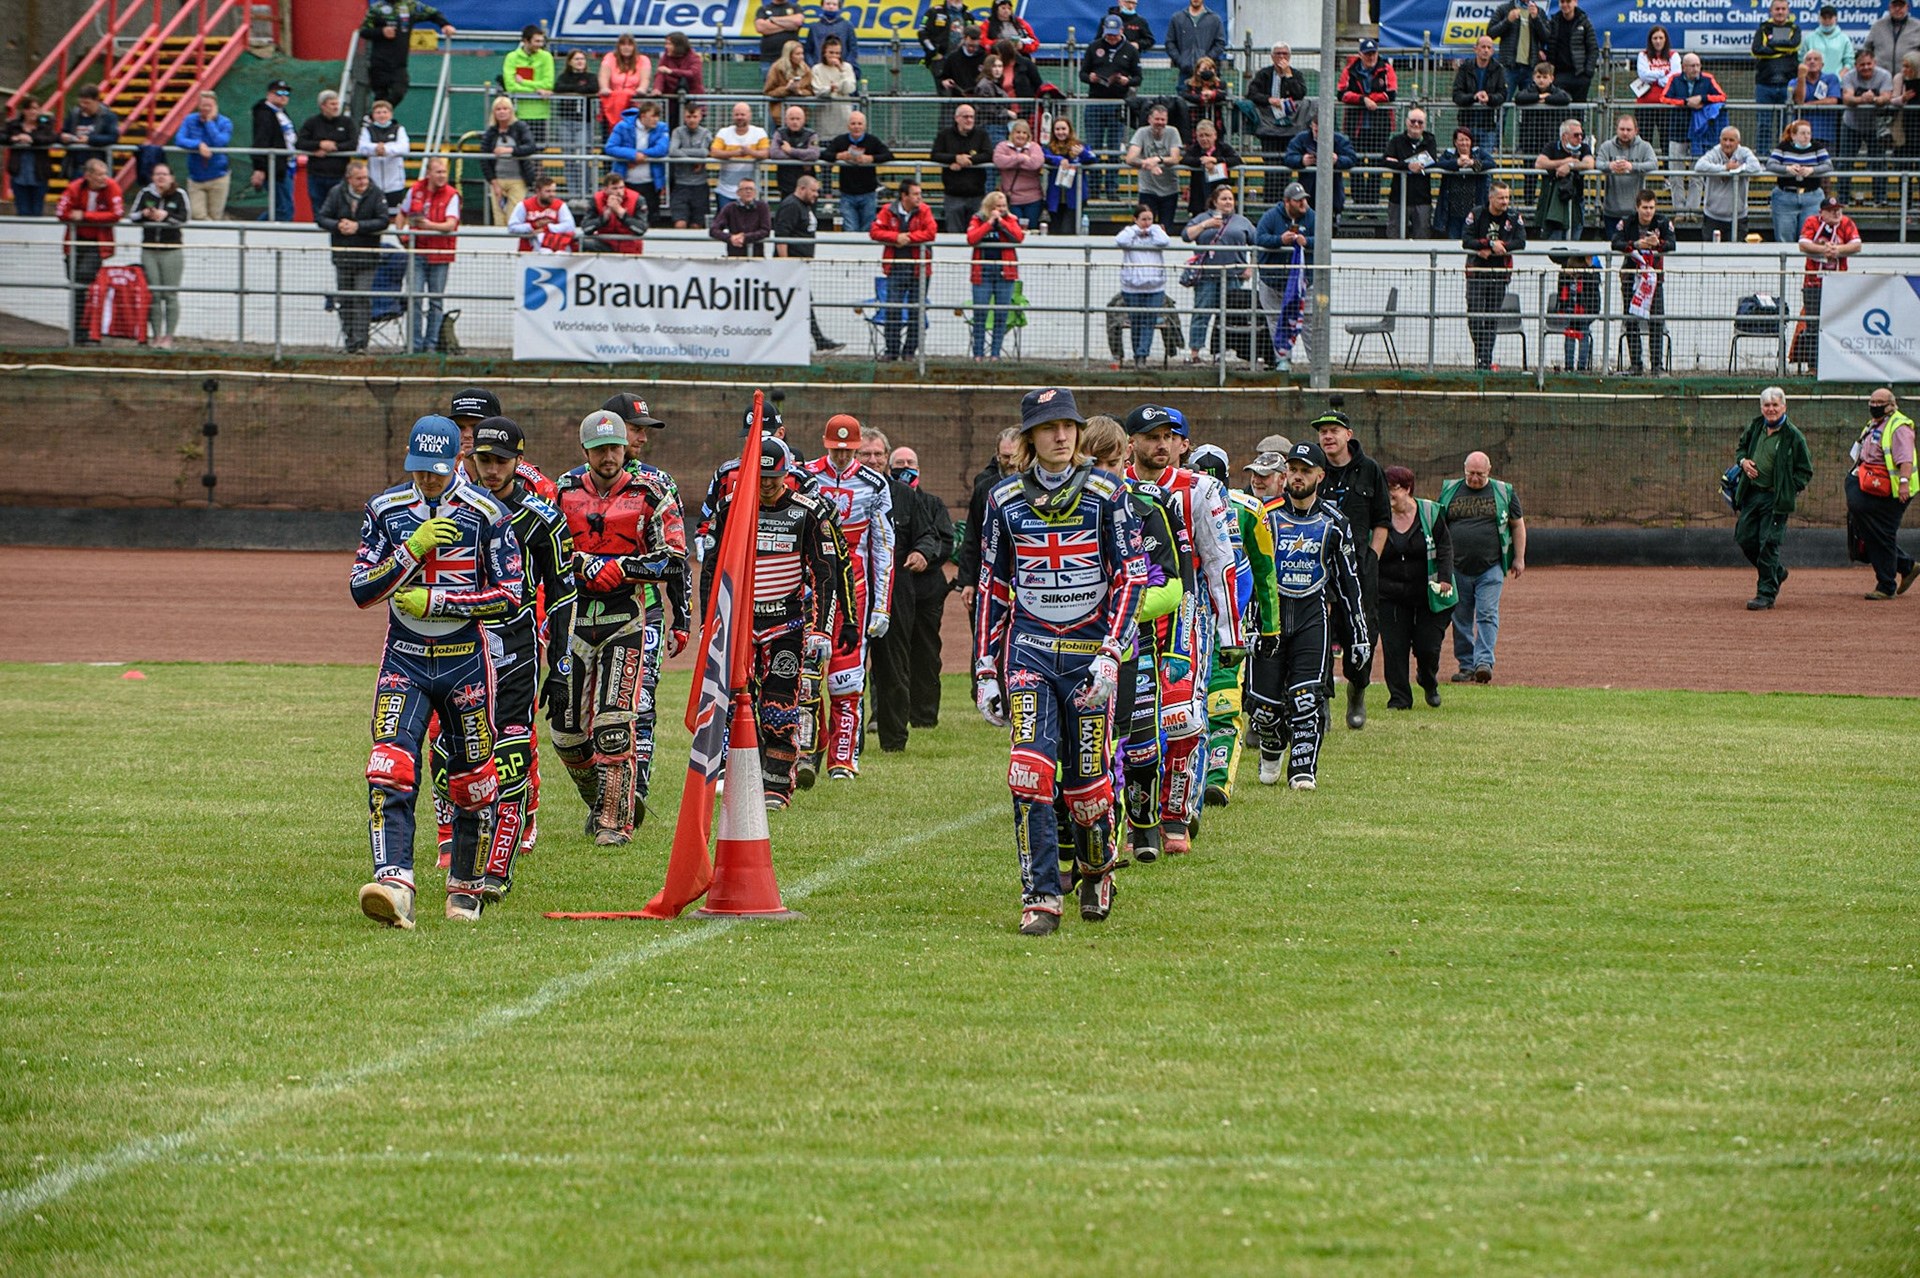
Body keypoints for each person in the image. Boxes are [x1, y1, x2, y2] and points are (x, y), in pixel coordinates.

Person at [974, 388, 1145, 934]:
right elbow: (992, 587)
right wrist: (984, 669)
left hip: (1091, 657)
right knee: (1028, 772)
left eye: (1068, 426)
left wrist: (1112, 652)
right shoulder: (1003, 500)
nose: (1062, 436)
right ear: (1030, 437)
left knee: (1088, 786)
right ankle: (1041, 896)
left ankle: (1097, 870)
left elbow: (1132, 577)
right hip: (1029, 652)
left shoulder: (1108, 493)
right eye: (1049, 427)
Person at [350, 415, 521, 928]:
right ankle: (394, 885)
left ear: (457, 462)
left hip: (465, 662)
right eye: (419, 469)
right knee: (389, 765)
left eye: (437, 470)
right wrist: (412, 550)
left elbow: (510, 596)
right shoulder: (384, 509)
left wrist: (440, 602)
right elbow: (361, 590)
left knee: (472, 780)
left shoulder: (488, 513)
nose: (427, 479)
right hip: (403, 658)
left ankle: (465, 887)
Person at [553, 409, 689, 844]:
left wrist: (623, 568)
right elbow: (542, 552)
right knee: (566, 734)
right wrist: (581, 565)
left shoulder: (651, 492)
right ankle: (601, 799)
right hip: (574, 622)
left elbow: (674, 558)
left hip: (626, 618)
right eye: (599, 449)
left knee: (614, 725)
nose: (608, 456)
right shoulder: (563, 491)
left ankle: (615, 823)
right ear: (585, 450)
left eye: (614, 447)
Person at [1123, 405, 1245, 852]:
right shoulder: (1113, 487)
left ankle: (1176, 815)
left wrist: (1230, 632)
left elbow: (1220, 562)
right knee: (1131, 723)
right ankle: (1137, 817)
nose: (1161, 444)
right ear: (1131, 443)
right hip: (1129, 616)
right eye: (1151, 436)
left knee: (1182, 717)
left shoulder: (1200, 489)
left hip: (1185, 616)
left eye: (1167, 436)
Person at [703, 435, 849, 808]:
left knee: (779, 707)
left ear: (787, 474)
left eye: (774, 477)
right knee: (735, 703)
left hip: (787, 626)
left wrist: (822, 630)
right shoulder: (730, 507)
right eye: (761, 477)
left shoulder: (808, 511)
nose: (767, 484)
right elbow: (711, 569)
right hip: (739, 625)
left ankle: (777, 786)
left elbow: (826, 573)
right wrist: (708, 621)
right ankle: (737, 778)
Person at [464, 417, 575, 891]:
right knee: (464, 759)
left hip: (518, 651)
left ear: (518, 462)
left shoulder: (542, 518)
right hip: (463, 651)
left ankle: (497, 868)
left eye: (501, 461)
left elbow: (564, 595)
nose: (491, 470)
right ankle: (465, 850)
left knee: (511, 756)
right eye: (484, 460)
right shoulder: (457, 511)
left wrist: (562, 668)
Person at [1246, 441, 1368, 791]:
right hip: (1269, 618)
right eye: (1293, 470)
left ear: (1320, 476)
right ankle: (1272, 746)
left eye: (1305, 471)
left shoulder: (1335, 522)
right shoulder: (1264, 515)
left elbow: (1349, 581)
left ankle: (1303, 769)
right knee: (1263, 708)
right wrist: (1247, 624)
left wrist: (1359, 634)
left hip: (1312, 617)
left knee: (1307, 699)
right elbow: (1246, 572)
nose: (1298, 477)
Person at [803, 415, 895, 780]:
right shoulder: (805, 476)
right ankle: (806, 753)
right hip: (809, 590)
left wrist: (881, 605)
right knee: (806, 676)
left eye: (848, 450)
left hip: (852, 592)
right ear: (825, 445)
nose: (841, 456)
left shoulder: (875, 484)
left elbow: (883, 547)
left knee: (847, 680)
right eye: (835, 449)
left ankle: (843, 759)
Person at [859, 430, 935, 752]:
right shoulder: (843, 492)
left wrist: (921, 552)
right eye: (866, 454)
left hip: (895, 590)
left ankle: (893, 741)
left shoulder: (904, 494)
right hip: (852, 588)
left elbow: (929, 535)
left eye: (878, 454)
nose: (873, 460)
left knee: (894, 666)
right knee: (849, 667)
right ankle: (850, 741)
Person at [1314, 406, 1389, 730]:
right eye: (1322, 432)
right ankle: (1322, 702)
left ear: (1348, 435)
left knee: (1362, 633)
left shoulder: (1370, 469)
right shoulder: (1313, 468)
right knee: (1318, 634)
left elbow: (1382, 521)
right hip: (1318, 568)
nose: (1327, 436)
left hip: (1358, 569)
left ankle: (1357, 691)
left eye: (1333, 431)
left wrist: (1371, 559)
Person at [1441, 452, 1525, 682]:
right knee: (1460, 618)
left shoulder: (1504, 492)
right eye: (1470, 473)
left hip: (1491, 567)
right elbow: (1439, 526)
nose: (1475, 478)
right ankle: (1466, 666)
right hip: (1457, 567)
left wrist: (1519, 558)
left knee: (1487, 614)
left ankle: (1484, 663)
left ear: (1489, 470)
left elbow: (1517, 525)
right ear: (1464, 469)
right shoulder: (1450, 490)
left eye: (1479, 474)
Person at [1378, 466, 1455, 710]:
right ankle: (1399, 699)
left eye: (1393, 488)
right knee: (1394, 647)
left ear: (1408, 489)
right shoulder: (1378, 515)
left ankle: (1428, 679)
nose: (1388, 494)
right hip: (1389, 593)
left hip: (1427, 593)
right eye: (1385, 489)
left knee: (1427, 647)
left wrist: (1445, 578)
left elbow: (1445, 547)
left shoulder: (1430, 513)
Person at [1732, 387, 1814, 609]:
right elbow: (1741, 449)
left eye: (1775, 405)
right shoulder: (1756, 426)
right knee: (1745, 538)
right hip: (1752, 495)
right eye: (1767, 405)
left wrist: (1789, 489)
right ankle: (1777, 571)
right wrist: (1743, 462)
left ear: (1784, 407)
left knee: (1768, 544)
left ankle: (1766, 594)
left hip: (1775, 500)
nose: (1771, 409)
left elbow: (1805, 471)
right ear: (1761, 408)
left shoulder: (1793, 436)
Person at [891, 442, 953, 731]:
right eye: (899, 464)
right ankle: (884, 716)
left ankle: (924, 717)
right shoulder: (885, 499)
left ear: (918, 469)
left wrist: (923, 558)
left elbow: (945, 541)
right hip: (893, 590)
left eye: (910, 464)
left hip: (927, 591)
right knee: (891, 655)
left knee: (927, 653)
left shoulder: (933, 504)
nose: (905, 468)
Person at [1848, 387, 1920, 599]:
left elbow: (1905, 459)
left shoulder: (1899, 426)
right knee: (1873, 533)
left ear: (1892, 405)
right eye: (1872, 402)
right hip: (1874, 486)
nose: (1875, 406)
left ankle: (1886, 585)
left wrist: (1904, 483)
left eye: (1880, 403)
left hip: (1894, 491)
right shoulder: (1873, 424)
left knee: (1882, 533)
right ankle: (1906, 566)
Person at [315, 159, 387, 354]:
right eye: (359, 178)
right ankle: (350, 340)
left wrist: (358, 227)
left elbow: (383, 220)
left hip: (367, 258)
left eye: (365, 178)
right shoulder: (336, 193)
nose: (364, 182)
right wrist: (338, 225)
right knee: (345, 299)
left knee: (362, 298)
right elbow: (322, 217)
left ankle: (361, 343)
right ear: (349, 179)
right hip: (343, 257)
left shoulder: (376, 193)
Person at [1182, 183, 1254, 362]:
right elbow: (1186, 236)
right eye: (1224, 199)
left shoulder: (1242, 221)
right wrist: (1205, 225)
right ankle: (1195, 353)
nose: (1228, 202)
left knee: (1228, 315)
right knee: (1201, 314)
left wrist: (1251, 266)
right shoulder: (1202, 218)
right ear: (1215, 202)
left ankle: (1220, 352)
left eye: (1231, 199)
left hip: (1233, 276)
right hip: (1207, 276)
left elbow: (1258, 244)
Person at [772, 174, 841, 352]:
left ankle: (816, 340)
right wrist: (785, 264)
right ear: (802, 188)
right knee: (801, 302)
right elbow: (781, 236)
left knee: (801, 303)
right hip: (791, 266)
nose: (816, 194)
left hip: (800, 265)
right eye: (813, 191)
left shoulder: (804, 205)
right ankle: (818, 340)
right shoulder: (791, 206)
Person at [57, 158, 122, 345]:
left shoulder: (112, 187)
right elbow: (61, 212)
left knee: (84, 282)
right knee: (76, 286)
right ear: (88, 175)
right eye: (100, 174)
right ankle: (77, 334)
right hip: (75, 242)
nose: (104, 178)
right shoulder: (75, 187)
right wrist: (78, 215)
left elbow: (116, 214)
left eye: (105, 174)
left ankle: (88, 333)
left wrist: (85, 216)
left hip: (97, 244)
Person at [871, 179, 936, 362]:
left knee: (917, 311)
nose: (919, 198)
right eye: (915, 194)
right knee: (893, 309)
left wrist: (908, 238)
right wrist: (895, 237)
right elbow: (875, 231)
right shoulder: (887, 210)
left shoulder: (925, 210)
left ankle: (909, 352)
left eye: (919, 194)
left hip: (919, 268)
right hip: (896, 268)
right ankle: (892, 351)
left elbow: (931, 232)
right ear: (904, 195)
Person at [1462, 181, 1525, 370]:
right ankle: (1482, 356)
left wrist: (1500, 248)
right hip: (1477, 272)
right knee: (1474, 316)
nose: (1505, 202)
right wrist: (1488, 244)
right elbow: (1466, 241)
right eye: (1501, 198)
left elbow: (1521, 242)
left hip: (1500, 274)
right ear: (1491, 198)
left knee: (1491, 318)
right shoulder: (1477, 214)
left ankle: (1484, 361)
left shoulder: (1513, 216)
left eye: (1507, 197)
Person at [1794, 195, 1861, 370]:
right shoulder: (1812, 222)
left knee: (1838, 324)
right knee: (1813, 325)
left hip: (1839, 284)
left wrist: (1837, 250)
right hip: (1813, 284)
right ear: (1821, 213)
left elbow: (1856, 245)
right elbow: (1803, 244)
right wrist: (1824, 250)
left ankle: (1836, 365)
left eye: (1838, 210)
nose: (1836, 213)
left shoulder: (1846, 222)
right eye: (1831, 211)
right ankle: (1814, 366)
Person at [400, 157, 458, 353]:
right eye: (438, 172)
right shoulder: (415, 190)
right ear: (428, 174)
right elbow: (402, 213)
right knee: (414, 298)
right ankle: (414, 345)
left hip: (440, 254)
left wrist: (427, 226)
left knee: (435, 301)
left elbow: (450, 224)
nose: (442, 176)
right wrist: (401, 236)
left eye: (444, 172)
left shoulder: (452, 195)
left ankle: (431, 344)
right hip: (418, 252)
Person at [1254, 181, 1314, 371]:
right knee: (1276, 322)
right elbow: (1259, 238)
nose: (1303, 203)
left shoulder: (1311, 216)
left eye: (1304, 199)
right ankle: (1283, 361)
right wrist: (1279, 240)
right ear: (1287, 202)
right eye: (1298, 200)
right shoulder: (1271, 216)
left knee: (1309, 323)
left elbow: (1324, 238)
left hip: (1303, 283)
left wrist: (1307, 241)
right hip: (1272, 281)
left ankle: (1317, 364)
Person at [129, 162, 188, 349]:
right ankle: (155, 335)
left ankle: (169, 336)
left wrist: (166, 216)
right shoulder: (145, 194)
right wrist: (145, 213)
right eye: (157, 174)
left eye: (164, 174)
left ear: (171, 177)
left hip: (171, 250)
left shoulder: (179, 195)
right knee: (153, 294)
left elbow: (184, 218)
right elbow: (132, 216)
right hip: (149, 250)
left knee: (170, 295)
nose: (161, 177)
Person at [1082, 15, 1140, 199]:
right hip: (1095, 102)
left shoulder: (1130, 50)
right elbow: (1082, 73)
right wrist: (1090, 78)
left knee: (1115, 148)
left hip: (1118, 104)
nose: (1112, 38)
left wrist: (1127, 81)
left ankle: (1111, 189)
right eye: (1109, 34)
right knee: (1094, 147)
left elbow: (1138, 77)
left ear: (1122, 31)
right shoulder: (1094, 47)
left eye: (1115, 34)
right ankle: (1094, 188)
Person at [360, 1, 454, 110]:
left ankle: (377, 115)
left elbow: (433, 13)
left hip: (399, 62)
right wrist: (381, 32)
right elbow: (364, 31)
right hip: (379, 61)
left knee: (399, 91)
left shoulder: (410, 6)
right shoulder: (377, 8)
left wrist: (445, 24)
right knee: (380, 94)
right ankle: (379, 117)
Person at [1245, 43, 1309, 199]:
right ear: (1272, 57)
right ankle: (1270, 201)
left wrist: (1288, 75)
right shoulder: (1264, 74)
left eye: (1285, 54)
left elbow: (1300, 94)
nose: (1281, 57)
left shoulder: (1296, 74)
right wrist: (1269, 100)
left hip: (1290, 128)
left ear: (1289, 56)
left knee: (1286, 166)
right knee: (1270, 166)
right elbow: (1252, 93)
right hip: (1269, 127)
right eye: (1278, 53)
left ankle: (1286, 199)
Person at [1339, 39, 1397, 207]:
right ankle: (1358, 205)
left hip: (1380, 127)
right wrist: (1362, 100)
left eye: (1373, 54)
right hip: (1355, 127)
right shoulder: (1350, 70)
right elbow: (1342, 93)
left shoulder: (1387, 69)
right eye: (1367, 54)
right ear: (1360, 54)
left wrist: (1371, 99)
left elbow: (1391, 94)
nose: (1371, 57)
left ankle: (1371, 206)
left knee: (1376, 167)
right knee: (1355, 165)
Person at [966, 191, 1024, 360]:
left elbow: (1018, 237)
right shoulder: (978, 219)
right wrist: (989, 222)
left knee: (1001, 314)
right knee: (980, 313)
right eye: (998, 206)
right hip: (982, 272)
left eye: (1004, 206)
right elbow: (971, 238)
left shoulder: (1011, 219)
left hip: (1005, 272)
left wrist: (1002, 222)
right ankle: (978, 354)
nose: (1002, 209)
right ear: (990, 207)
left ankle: (995, 354)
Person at [1115, 203, 1172, 367]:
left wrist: (1153, 229)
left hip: (1155, 287)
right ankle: (1137, 354)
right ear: (1135, 219)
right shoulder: (1129, 233)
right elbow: (1120, 240)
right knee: (1136, 322)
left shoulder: (1156, 232)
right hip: (1132, 288)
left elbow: (1164, 241)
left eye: (1150, 219)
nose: (1147, 223)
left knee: (1149, 321)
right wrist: (1136, 230)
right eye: (1143, 219)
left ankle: (1142, 355)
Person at [1840, 48, 1895, 203]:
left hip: (1875, 128)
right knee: (1845, 163)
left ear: (1874, 63)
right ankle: (1843, 199)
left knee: (1879, 163)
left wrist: (1874, 99)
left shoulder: (1884, 75)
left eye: (1869, 64)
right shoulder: (1849, 76)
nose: (1866, 67)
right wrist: (1863, 99)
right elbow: (1847, 98)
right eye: (1862, 64)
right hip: (1851, 125)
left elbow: (1886, 98)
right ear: (1856, 65)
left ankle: (1880, 199)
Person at [1513, 62, 1573, 201]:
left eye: (1545, 77)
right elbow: (1519, 98)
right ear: (1533, 77)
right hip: (1530, 140)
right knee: (1530, 175)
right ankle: (1528, 203)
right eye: (1538, 76)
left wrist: (1547, 98)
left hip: (1549, 140)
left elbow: (1565, 98)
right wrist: (1539, 97)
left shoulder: (1557, 91)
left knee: (1550, 174)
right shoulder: (1529, 90)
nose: (1541, 80)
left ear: (1551, 78)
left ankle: (1548, 203)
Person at [1769, 118, 1834, 245]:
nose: (1806, 136)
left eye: (1808, 133)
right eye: (1803, 133)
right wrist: (1787, 169)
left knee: (1808, 238)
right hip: (1785, 197)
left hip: (1811, 197)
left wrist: (1812, 170)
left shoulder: (1817, 147)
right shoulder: (1783, 147)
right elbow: (1771, 164)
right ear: (1793, 135)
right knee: (1784, 238)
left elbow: (1828, 165)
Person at [1593, 114, 1657, 241]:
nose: (1625, 133)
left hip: (1636, 212)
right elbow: (1597, 163)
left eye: (1629, 129)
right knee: (1615, 246)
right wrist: (1609, 166)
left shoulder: (1645, 146)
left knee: (1635, 247)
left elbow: (1653, 164)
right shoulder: (1607, 146)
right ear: (1616, 129)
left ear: (1636, 131)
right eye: (1622, 129)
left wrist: (1632, 166)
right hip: (1612, 211)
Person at [1749, 0, 1804, 147]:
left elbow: (1794, 45)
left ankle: (1785, 153)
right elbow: (1756, 50)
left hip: (1788, 84)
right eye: (1777, 9)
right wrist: (1783, 50)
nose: (1780, 12)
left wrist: (1771, 45)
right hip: (1764, 84)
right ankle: (1763, 155)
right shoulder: (1763, 28)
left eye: (1783, 9)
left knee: (1787, 125)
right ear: (1771, 11)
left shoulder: (1794, 29)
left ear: (1788, 11)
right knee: (1764, 125)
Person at [605, 100, 669, 225]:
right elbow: (610, 147)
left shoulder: (662, 127)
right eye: (653, 116)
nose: (656, 120)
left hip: (651, 183)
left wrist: (640, 155)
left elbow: (662, 149)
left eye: (658, 116)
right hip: (625, 183)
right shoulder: (622, 126)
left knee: (651, 220)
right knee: (623, 219)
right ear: (643, 116)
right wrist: (633, 155)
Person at [1695, 125, 1763, 242]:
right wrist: (1725, 168)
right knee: (1710, 252)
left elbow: (1756, 168)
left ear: (1738, 142)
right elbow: (1699, 166)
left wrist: (1738, 169)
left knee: (1737, 252)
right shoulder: (1714, 152)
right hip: (1713, 216)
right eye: (1724, 140)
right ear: (1720, 140)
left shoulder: (1744, 152)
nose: (1727, 143)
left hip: (1738, 217)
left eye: (1731, 140)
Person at [828, 111, 893, 233]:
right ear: (848, 126)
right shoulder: (840, 140)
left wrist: (871, 158)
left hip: (868, 194)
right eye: (853, 123)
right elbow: (824, 154)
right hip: (847, 194)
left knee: (868, 230)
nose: (856, 127)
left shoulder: (872, 141)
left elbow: (889, 155)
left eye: (859, 123)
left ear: (865, 126)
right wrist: (839, 156)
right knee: (850, 229)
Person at [931, 103, 993, 231]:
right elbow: (935, 155)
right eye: (965, 117)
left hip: (977, 195)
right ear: (956, 118)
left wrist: (968, 161)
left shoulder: (981, 134)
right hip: (953, 195)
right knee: (954, 235)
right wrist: (955, 158)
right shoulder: (944, 134)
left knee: (976, 234)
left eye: (971, 117)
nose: (969, 120)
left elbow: (989, 155)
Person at [174, 90, 232, 222]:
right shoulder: (190, 120)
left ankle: (215, 233)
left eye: (209, 105)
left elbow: (221, 142)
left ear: (215, 106)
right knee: (197, 214)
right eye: (203, 105)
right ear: (198, 105)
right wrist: (198, 144)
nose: (206, 108)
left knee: (215, 216)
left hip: (219, 177)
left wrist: (209, 123)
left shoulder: (225, 122)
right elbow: (179, 139)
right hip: (196, 178)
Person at [1533, 116, 1594, 240]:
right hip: (1554, 199)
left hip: (1576, 199)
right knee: (1554, 239)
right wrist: (1564, 162)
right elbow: (1539, 163)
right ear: (1565, 136)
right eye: (1576, 135)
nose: (1580, 138)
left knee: (1575, 238)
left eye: (1581, 135)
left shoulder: (1583, 147)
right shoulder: (1552, 146)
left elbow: (1589, 164)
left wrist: (1569, 166)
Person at [481, 95, 538, 226]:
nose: (501, 112)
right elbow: (484, 159)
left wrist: (509, 150)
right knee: (499, 218)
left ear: (511, 111)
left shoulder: (520, 127)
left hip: (517, 180)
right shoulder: (490, 132)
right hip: (498, 180)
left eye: (505, 109)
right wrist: (494, 182)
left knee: (513, 218)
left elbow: (531, 147)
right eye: (498, 109)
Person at [1382, 108, 1438, 238]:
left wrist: (1400, 162)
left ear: (1425, 124)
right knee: (1394, 236)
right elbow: (1385, 161)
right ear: (1407, 122)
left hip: (1422, 199)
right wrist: (1408, 166)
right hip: (1398, 198)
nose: (1416, 124)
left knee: (1422, 236)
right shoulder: (1396, 141)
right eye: (1413, 121)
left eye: (1420, 122)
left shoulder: (1430, 140)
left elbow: (1431, 159)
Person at [1284, 118, 1358, 218]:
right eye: (1316, 131)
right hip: (1308, 192)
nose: (1319, 135)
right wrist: (1302, 160)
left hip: (1333, 193)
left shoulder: (1339, 139)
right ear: (1311, 126)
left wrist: (1337, 160)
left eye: (1322, 131)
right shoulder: (1302, 138)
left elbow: (1352, 159)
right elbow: (1288, 158)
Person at [296, 90, 355, 214]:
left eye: (337, 104)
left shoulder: (347, 122)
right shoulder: (312, 122)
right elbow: (300, 143)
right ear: (322, 106)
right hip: (316, 175)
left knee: (340, 210)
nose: (336, 107)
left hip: (340, 175)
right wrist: (319, 145)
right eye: (332, 104)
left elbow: (354, 143)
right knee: (319, 209)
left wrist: (335, 147)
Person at [1125, 103, 1184, 227]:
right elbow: (1130, 158)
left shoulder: (1173, 132)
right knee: (1145, 227)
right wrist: (1148, 164)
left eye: (1163, 119)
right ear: (1149, 119)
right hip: (1148, 189)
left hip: (1170, 190)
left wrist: (1158, 159)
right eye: (1157, 119)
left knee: (1165, 228)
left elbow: (1175, 158)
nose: (1160, 122)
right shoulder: (1142, 132)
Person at [1663, 52, 1729, 159]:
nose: (1696, 69)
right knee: (1675, 163)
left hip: (1700, 131)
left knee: (1698, 164)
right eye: (1692, 66)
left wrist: (1702, 99)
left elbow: (1722, 97)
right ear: (1683, 67)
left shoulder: (1708, 78)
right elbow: (1664, 98)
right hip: (1678, 129)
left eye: (1698, 65)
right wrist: (1686, 102)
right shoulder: (1674, 79)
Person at [248, 80, 297, 221]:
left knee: (281, 207)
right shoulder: (265, 114)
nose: (284, 96)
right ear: (269, 94)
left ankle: (254, 230)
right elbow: (261, 140)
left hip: (287, 166)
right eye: (279, 92)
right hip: (275, 168)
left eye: (286, 93)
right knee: (284, 209)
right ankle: (254, 230)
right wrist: (260, 167)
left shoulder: (280, 113)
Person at [1451, 36, 1508, 155]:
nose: (1486, 50)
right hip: (1467, 125)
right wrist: (1473, 97)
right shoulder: (1465, 68)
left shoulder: (1498, 69)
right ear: (1475, 49)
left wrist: (1489, 98)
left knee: (1484, 162)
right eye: (1483, 47)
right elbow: (1456, 95)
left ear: (1493, 51)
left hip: (1488, 126)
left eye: (1489, 47)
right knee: (1466, 160)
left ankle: (1479, 168)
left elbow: (1502, 95)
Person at [1435, 127, 1495, 240]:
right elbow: (1439, 164)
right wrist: (1456, 163)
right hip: (1453, 211)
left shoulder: (1478, 152)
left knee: (1470, 241)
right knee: (1453, 242)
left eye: (1467, 140)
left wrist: (1473, 163)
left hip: (1473, 210)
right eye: (1461, 140)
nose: (1464, 143)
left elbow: (1491, 163)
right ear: (1455, 142)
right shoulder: (1449, 154)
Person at [1547, 245, 1601, 370]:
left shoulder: (1591, 273)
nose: (1575, 276)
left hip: (1586, 312)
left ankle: (1582, 367)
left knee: (1584, 336)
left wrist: (1589, 264)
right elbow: (1552, 254)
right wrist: (1567, 255)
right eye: (1573, 274)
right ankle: (1569, 366)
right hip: (1568, 311)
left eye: (1577, 274)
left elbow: (1595, 281)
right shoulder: (1565, 271)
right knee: (1569, 337)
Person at [709, 102, 770, 212]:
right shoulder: (723, 132)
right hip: (726, 190)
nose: (739, 117)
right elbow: (714, 152)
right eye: (736, 114)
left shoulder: (759, 132)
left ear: (750, 115)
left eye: (742, 114)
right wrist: (736, 153)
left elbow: (765, 153)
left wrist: (749, 151)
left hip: (750, 190)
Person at [5, 95, 56, 218]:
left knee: (37, 212)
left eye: (36, 108)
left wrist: (31, 139)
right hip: (19, 174)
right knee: (22, 212)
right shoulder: (14, 125)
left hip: (39, 174)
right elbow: (2, 136)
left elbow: (51, 138)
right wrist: (14, 138)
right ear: (23, 110)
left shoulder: (45, 125)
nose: (33, 112)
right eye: (29, 108)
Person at [1042, 117, 1095, 235]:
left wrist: (1082, 153)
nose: (1060, 132)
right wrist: (1059, 160)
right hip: (1056, 197)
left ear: (1069, 130)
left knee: (1068, 230)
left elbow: (1092, 159)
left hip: (1075, 196)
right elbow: (1045, 157)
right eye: (1057, 129)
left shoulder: (1080, 145)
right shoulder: (1048, 147)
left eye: (1063, 129)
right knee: (1055, 231)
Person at [502, 25, 555, 141]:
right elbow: (510, 86)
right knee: (518, 146)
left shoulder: (546, 57)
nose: (540, 44)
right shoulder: (512, 57)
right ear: (525, 41)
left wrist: (523, 82)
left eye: (542, 41)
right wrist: (537, 90)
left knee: (538, 147)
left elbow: (548, 84)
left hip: (540, 114)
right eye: (537, 41)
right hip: (518, 113)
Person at [1486, 0, 1547, 100]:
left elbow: (1546, 37)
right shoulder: (1504, 9)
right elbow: (1490, 33)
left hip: (1530, 68)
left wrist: (1536, 19)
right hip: (1508, 67)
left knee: (1529, 103)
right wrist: (1507, 20)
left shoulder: (1538, 11)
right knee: (1503, 101)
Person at [1541, 0, 1601, 101]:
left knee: (1579, 108)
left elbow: (1593, 49)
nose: (1565, 5)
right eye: (1562, 2)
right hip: (1558, 75)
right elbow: (1543, 37)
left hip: (1579, 75)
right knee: (1557, 107)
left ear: (1575, 2)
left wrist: (1587, 73)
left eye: (1568, 1)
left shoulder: (1584, 22)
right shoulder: (1553, 22)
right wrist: (1541, 50)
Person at [667, 101, 713, 229]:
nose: (692, 120)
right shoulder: (678, 132)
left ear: (700, 117)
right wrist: (694, 159)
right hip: (681, 184)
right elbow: (673, 151)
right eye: (688, 116)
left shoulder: (705, 133)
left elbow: (704, 152)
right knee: (680, 224)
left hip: (700, 185)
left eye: (695, 116)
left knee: (696, 225)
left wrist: (683, 152)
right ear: (684, 117)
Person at [358, 98, 411, 209]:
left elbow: (404, 147)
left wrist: (386, 149)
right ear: (373, 115)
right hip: (374, 182)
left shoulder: (399, 129)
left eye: (385, 112)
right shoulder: (367, 130)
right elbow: (362, 147)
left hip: (395, 183)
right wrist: (376, 148)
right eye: (378, 112)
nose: (382, 115)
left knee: (393, 212)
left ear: (391, 114)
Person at [1182, 118, 1240, 218]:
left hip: (1220, 197)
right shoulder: (1194, 149)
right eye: (1201, 136)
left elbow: (1237, 160)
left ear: (1215, 135)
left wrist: (1216, 160)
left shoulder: (1223, 148)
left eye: (1207, 135)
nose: (1204, 139)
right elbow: (1185, 160)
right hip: (1199, 197)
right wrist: (1202, 161)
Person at [994, 118, 1046, 228]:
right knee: (1013, 230)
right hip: (1011, 200)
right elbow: (998, 161)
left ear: (1028, 135)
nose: (1021, 135)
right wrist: (1021, 158)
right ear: (1012, 133)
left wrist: (1011, 162)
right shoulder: (1003, 146)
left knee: (1031, 230)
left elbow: (1035, 163)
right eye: (1018, 132)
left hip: (1033, 199)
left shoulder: (1034, 147)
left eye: (1024, 133)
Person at [58, 84, 118, 178]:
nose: (83, 106)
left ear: (97, 100)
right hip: (76, 167)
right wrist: (64, 137)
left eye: (87, 103)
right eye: (81, 103)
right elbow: (63, 132)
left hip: (98, 169)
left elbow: (113, 137)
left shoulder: (107, 116)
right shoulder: (73, 115)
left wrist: (89, 139)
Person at [1634, 25, 1680, 150]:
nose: (1658, 41)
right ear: (1650, 40)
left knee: (1666, 142)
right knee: (1644, 142)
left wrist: (1654, 79)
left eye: (1661, 38)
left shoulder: (1673, 56)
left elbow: (1674, 78)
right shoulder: (1643, 55)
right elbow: (1643, 75)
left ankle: (1666, 163)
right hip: (1645, 105)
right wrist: (1663, 73)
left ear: (1666, 39)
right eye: (1655, 38)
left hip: (1666, 106)